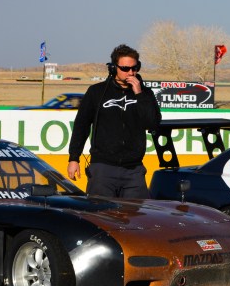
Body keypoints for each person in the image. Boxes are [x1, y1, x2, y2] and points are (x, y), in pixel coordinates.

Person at [67, 44, 162, 198]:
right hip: (103, 169)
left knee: (138, 219)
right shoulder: (96, 92)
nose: (130, 72)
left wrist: (139, 94)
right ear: (113, 68)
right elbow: (81, 126)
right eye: (125, 68)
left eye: (134, 68)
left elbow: (152, 124)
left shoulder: (145, 94)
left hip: (134, 170)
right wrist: (74, 158)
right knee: (101, 217)